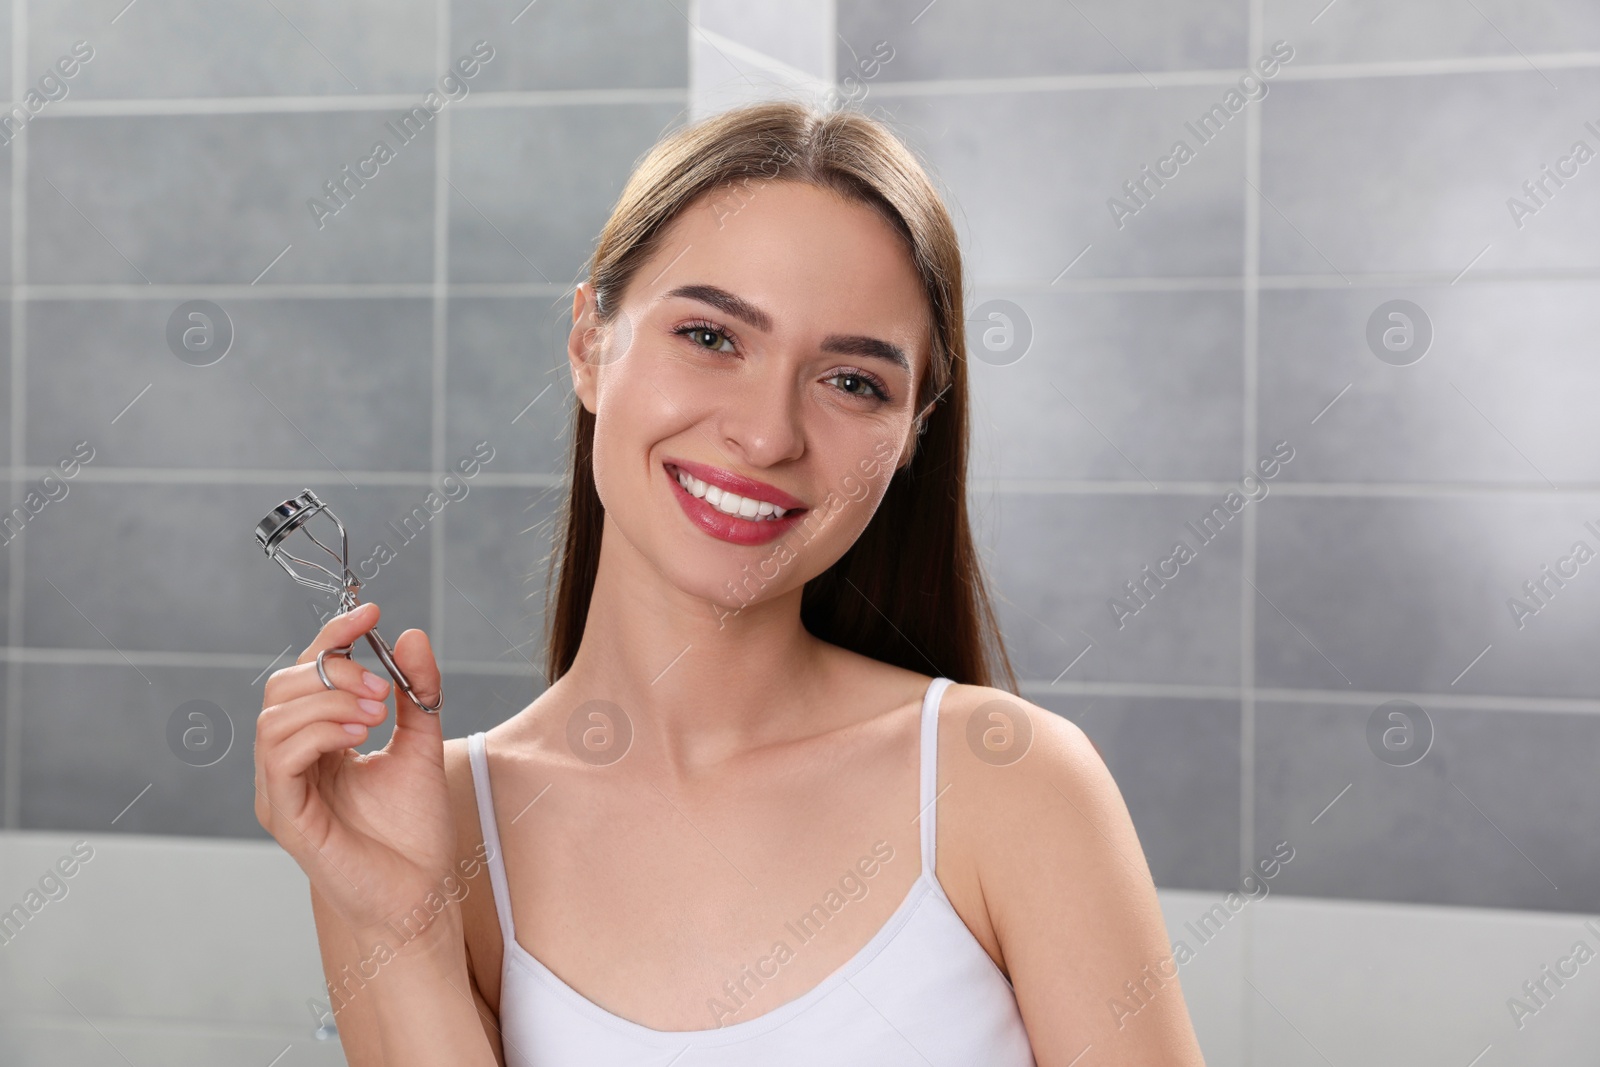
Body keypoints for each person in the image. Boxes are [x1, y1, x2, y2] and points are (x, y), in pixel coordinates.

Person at [255, 98, 1207, 1066]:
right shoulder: (420, 821)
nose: (766, 434)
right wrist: (401, 924)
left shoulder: (1008, 781)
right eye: (710, 336)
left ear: (911, 432)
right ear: (589, 341)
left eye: (852, 381)